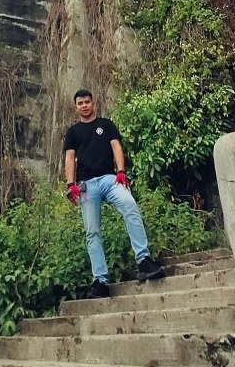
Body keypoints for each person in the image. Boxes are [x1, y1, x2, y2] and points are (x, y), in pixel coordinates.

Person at [63, 89, 165, 298]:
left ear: (93, 103)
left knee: (130, 206)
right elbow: (69, 158)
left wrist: (121, 172)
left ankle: (144, 260)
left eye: (87, 102)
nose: (84, 106)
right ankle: (100, 281)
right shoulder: (73, 132)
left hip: (110, 179)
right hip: (86, 185)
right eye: (80, 103)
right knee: (92, 231)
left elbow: (117, 147)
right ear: (76, 107)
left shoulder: (106, 125)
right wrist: (70, 185)